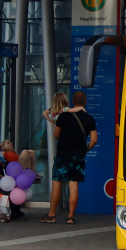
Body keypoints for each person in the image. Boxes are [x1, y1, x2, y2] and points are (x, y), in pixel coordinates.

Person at [41, 91, 97, 224]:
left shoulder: (64, 116)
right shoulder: (89, 119)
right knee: (74, 186)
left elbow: (56, 135)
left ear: (72, 101)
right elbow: (94, 139)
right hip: (78, 157)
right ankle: (70, 217)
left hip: (63, 155)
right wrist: (85, 149)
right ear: (85, 102)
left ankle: (52, 215)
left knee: (57, 184)